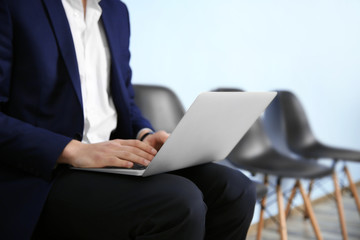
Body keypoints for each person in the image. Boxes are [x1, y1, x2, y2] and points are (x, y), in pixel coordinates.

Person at [0, 0, 256, 239]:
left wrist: (144, 134)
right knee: (179, 201)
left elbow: (123, 100)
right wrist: (74, 150)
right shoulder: (13, 7)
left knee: (235, 188)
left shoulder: (116, 11)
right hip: (44, 173)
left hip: (112, 158)